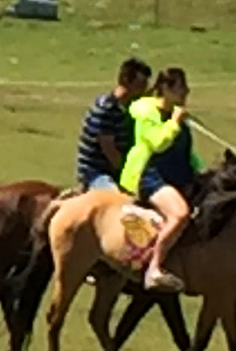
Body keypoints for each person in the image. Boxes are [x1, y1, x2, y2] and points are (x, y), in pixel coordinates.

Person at [116, 64, 205, 291]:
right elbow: (157, 143)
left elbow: (185, 151)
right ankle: (153, 269)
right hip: (151, 176)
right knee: (180, 214)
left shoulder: (176, 115)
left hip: (178, 175)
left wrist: (201, 172)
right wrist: (174, 122)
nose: (186, 93)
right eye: (180, 88)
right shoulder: (147, 112)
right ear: (165, 88)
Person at [74, 56, 149, 192]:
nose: (144, 91)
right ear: (126, 81)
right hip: (96, 172)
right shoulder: (106, 109)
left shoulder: (130, 108)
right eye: (140, 85)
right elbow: (110, 151)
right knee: (116, 198)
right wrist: (129, 174)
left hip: (116, 169)